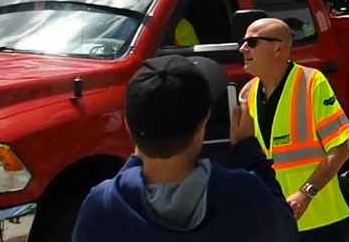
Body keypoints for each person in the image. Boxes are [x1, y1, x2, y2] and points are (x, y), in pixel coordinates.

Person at [74, 56, 299, 241]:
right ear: (203, 124)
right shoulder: (243, 192)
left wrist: (138, 153)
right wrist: (248, 150)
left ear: (128, 125)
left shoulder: (103, 204)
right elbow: (285, 230)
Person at [239, 19, 349, 241]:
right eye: (243, 42)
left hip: (319, 221)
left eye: (252, 42)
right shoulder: (247, 93)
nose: (242, 48)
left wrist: (305, 193)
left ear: (278, 48)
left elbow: (340, 151)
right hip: (272, 221)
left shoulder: (312, 82)